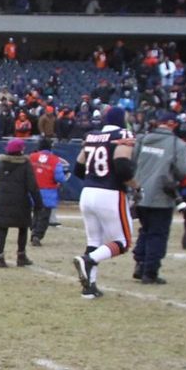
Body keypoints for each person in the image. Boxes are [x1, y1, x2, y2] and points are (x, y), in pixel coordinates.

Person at [70, 107, 135, 299]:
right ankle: (88, 260)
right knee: (123, 243)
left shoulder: (92, 136)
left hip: (88, 192)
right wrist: (136, 186)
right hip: (110, 192)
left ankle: (89, 288)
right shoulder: (123, 134)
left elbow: (79, 168)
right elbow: (122, 165)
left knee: (94, 241)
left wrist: (95, 180)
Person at [131, 114, 186, 284]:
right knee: (157, 233)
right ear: (172, 124)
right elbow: (183, 170)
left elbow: (132, 161)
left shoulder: (143, 140)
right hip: (161, 195)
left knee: (145, 230)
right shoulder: (177, 144)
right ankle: (150, 271)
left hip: (140, 193)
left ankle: (140, 263)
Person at [0, 135, 35, 268]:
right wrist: (38, 202)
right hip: (21, 200)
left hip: (4, 200)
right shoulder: (26, 164)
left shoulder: (2, 164)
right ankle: (21, 256)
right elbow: (32, 185)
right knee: (23, 228)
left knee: (2, 229)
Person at [27, 135, 67, 246]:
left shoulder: (32, 157)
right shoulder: (55, 160)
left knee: (36, 212)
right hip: (48, 191)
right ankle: (37, 235)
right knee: (44, 216)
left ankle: (33, 229)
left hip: (33, 190)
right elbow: (60, 178)